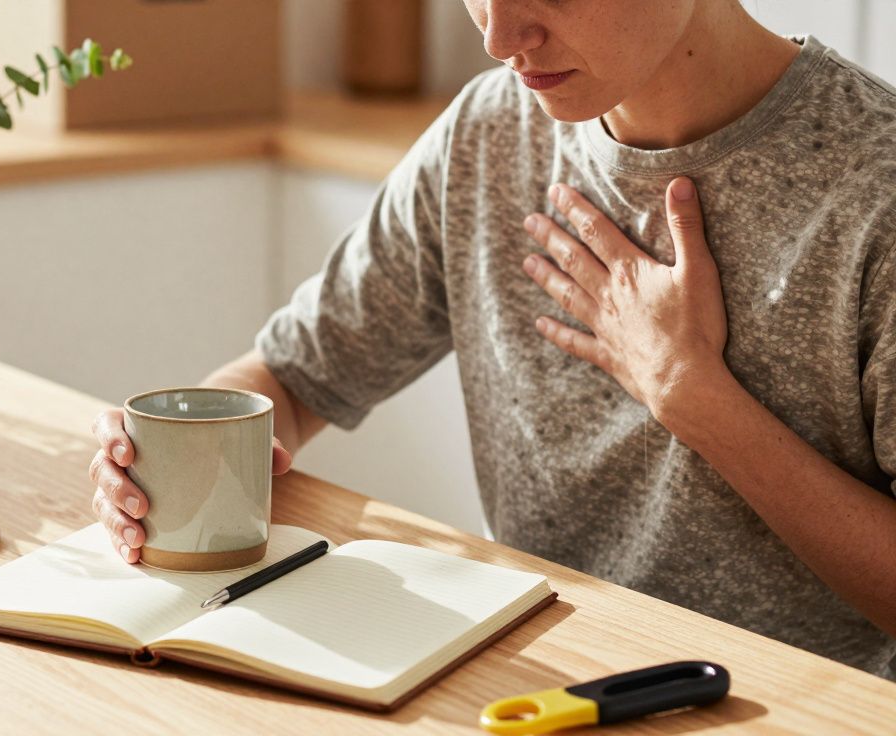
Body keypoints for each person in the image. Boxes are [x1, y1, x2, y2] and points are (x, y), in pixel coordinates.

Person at [88, 0, 896, 679]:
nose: (499, 35)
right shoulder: (488, 131)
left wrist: (695, 398)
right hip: (532, 689)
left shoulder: (875, 186)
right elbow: (295, 377)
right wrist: (159, 458)